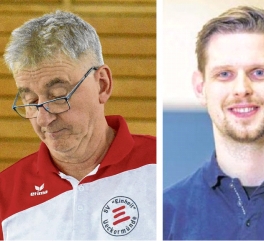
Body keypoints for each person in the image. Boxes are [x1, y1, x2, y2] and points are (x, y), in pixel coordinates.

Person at [163, 5, 264, 240]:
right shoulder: (167, 213)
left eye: (258, 73)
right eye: (224, 74)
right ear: (200, 87)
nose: (241, 89)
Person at [0, 10, 156, 240]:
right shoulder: (5, 193)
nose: (43, 119)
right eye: (31, 102)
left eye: (58, 96)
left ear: (102, 85)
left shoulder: (158, 165)